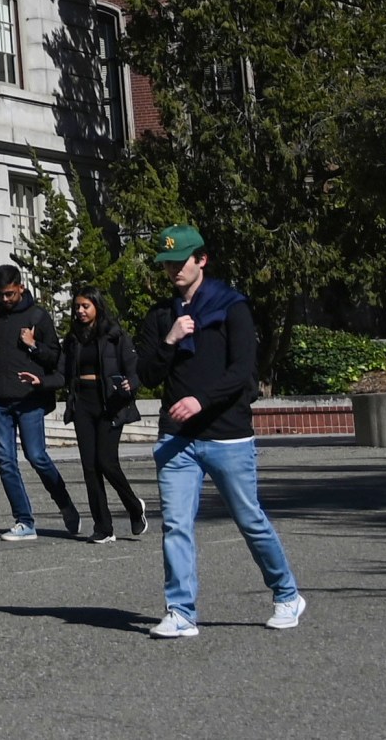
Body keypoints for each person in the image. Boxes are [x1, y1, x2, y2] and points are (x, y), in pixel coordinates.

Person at [132, 226, 305, 638]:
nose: (173, 269)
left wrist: (201, 400)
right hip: (177, 438)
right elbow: (146, 373)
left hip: (227, 434)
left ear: (202, 260)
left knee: (250, 519)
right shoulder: (161, 315)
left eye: (180, 261)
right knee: (175, 524)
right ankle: (180, 612)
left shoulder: (232, 307)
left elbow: (243, 372)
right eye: (167, 263)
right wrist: (171, 340)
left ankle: (286, 594)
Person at [0, 265, 79, 541]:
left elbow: (55, 358)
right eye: (0, 295)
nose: (5, 300)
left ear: (20, 287)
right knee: (6, 461)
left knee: (37, 456)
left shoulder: (38, 315)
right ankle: (24, 520)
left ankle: (65, 503)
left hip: (29, 398)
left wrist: (33, 345)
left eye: (9, 293)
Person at [62, 284, 148, 542]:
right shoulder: (73, 338)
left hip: (110, 402)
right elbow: (61, 371)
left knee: (106, 462)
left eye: (85, 306)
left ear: (97, 306)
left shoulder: (115, 334)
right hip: (83, 404)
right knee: (90, 467)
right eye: (76, 306)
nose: (80, 311)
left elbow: (133, 366)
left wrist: (131, 383)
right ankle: (103, 527)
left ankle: (134, 507)